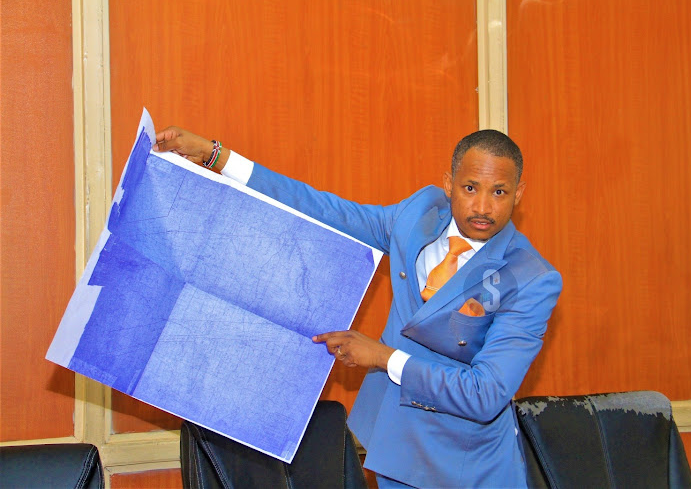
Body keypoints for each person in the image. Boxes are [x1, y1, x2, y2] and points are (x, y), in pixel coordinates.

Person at [153, 127, 562, 488]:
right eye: (471, 188)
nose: (484, 208)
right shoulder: (418, 214)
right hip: (395, 444)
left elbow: (485, 394)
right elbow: (325, 210)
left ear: (519, 194)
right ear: (449, 184)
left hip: (465, 465)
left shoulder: (531, 278)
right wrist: (218, 157)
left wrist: (383, 357)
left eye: (500, 192)